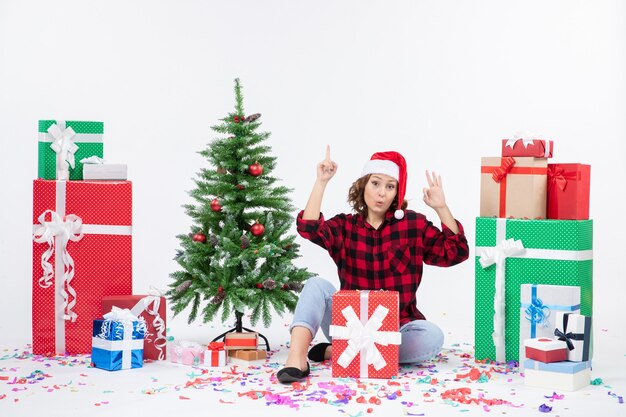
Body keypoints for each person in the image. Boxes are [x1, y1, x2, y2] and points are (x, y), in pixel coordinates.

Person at [276, 146, 469, 383]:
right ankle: (297, 359)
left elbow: (456, 252)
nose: (381, 193)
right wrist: (321, 182)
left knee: (432, 336)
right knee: (316, 285)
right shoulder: (345, 227)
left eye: (390, 187)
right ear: (363, 186)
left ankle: (339, 353)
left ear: (397, 193)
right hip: (348, 328)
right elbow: (309, 228)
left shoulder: (412, 225)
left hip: (396, 330)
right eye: (375, 183)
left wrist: (441, 208)